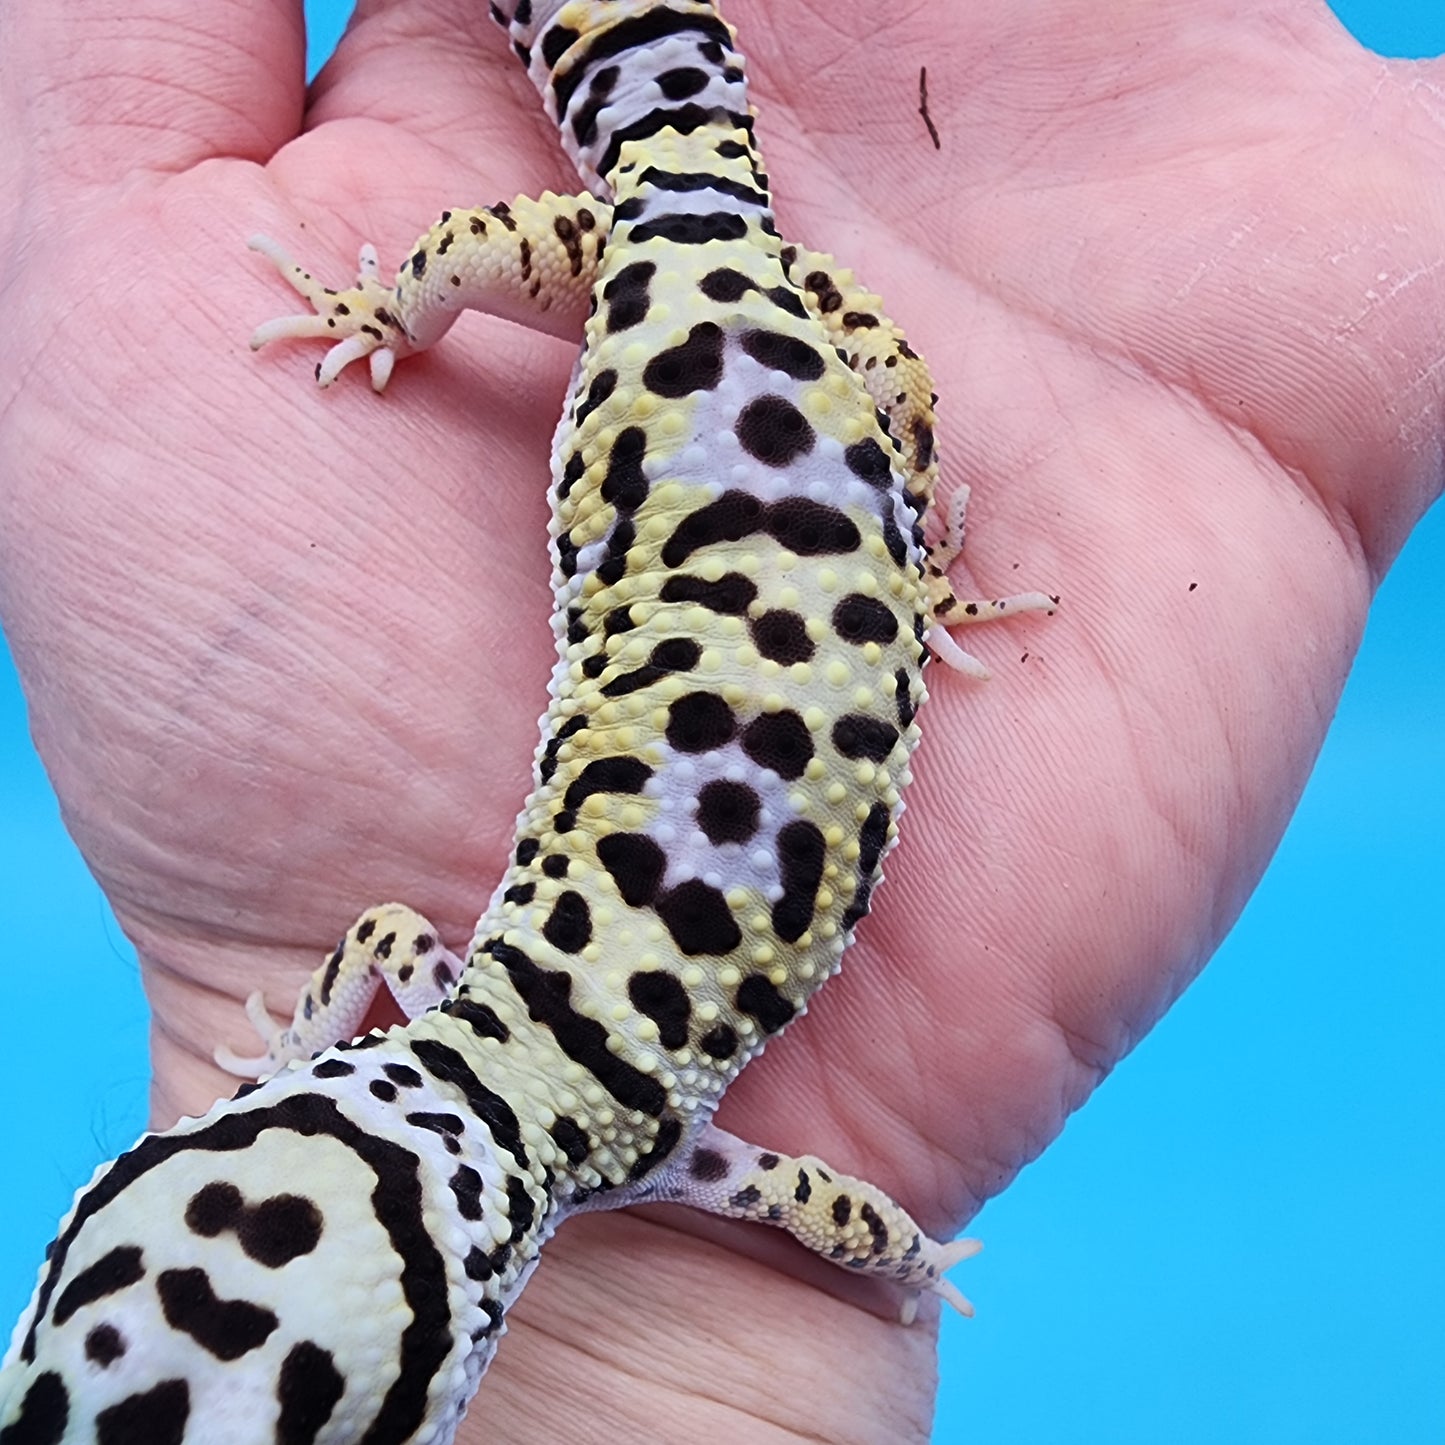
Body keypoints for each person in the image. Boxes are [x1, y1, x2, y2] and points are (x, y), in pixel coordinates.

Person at [0, 2, 1440, 1439]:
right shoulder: (433, 1010)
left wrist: (899, 1265)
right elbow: (382, 945)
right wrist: (299, 1056)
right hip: (730, 333)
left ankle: (903, 546)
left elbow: (831, 1213)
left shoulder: (645, 1145)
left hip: (705, 321)